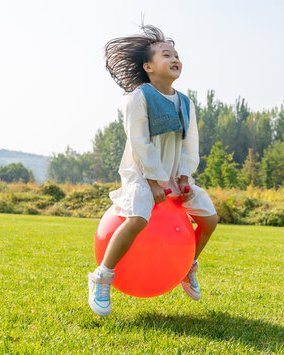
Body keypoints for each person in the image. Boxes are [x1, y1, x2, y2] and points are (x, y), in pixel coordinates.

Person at [88, 24, 219, 316]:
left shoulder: (185, 102)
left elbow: (190, 141)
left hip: (174, 176)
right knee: (138, 219)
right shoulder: (140, 97)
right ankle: (102, 276)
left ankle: (187, 267)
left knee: (210, 219)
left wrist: (184, 175)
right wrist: (154, 181)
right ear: (148, 66)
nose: (174, 59)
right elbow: (140, 142)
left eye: (176, 55)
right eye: (166, 54)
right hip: (142, 175)